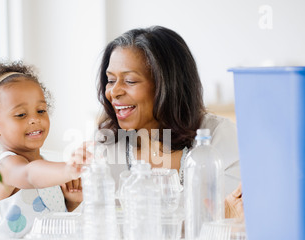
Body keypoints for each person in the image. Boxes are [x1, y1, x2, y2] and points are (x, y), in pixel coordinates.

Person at [94, 26, 243, 219]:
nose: (114, 92)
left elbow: (234, 220)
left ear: (168, 84)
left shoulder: (219, 137)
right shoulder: (107, 143)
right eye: (111, 80)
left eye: (130, 81)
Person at [0, 61, 91, 238]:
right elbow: (29, 174)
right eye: (21, 114)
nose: (34, 119)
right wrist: (68, 169)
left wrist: (70, 202)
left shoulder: (45, 168)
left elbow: (47, 221)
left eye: (41, 110)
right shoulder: (5, 167)